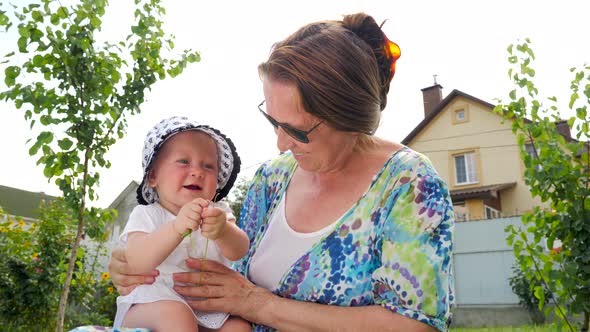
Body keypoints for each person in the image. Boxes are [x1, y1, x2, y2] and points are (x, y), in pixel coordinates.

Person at [109, 13, 455, 331]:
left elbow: (416, 326)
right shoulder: (271, 180)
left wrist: (258, 305)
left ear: (350, 122)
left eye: (298, 131)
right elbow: (230, 268)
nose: (280, 144)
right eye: (273, 122)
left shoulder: (409, 186)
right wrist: (140, 269)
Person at [113, 116, 251, 331]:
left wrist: (223, 231)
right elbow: (135, 262)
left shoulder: (218, 212)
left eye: (208, 166)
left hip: (206, 308)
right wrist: (176, 228)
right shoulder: (147, 214)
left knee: (239, 327)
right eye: (184, 162)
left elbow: (239, 250)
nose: (197, 171)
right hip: (153, 304)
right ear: (153, 176)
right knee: (176, 315)